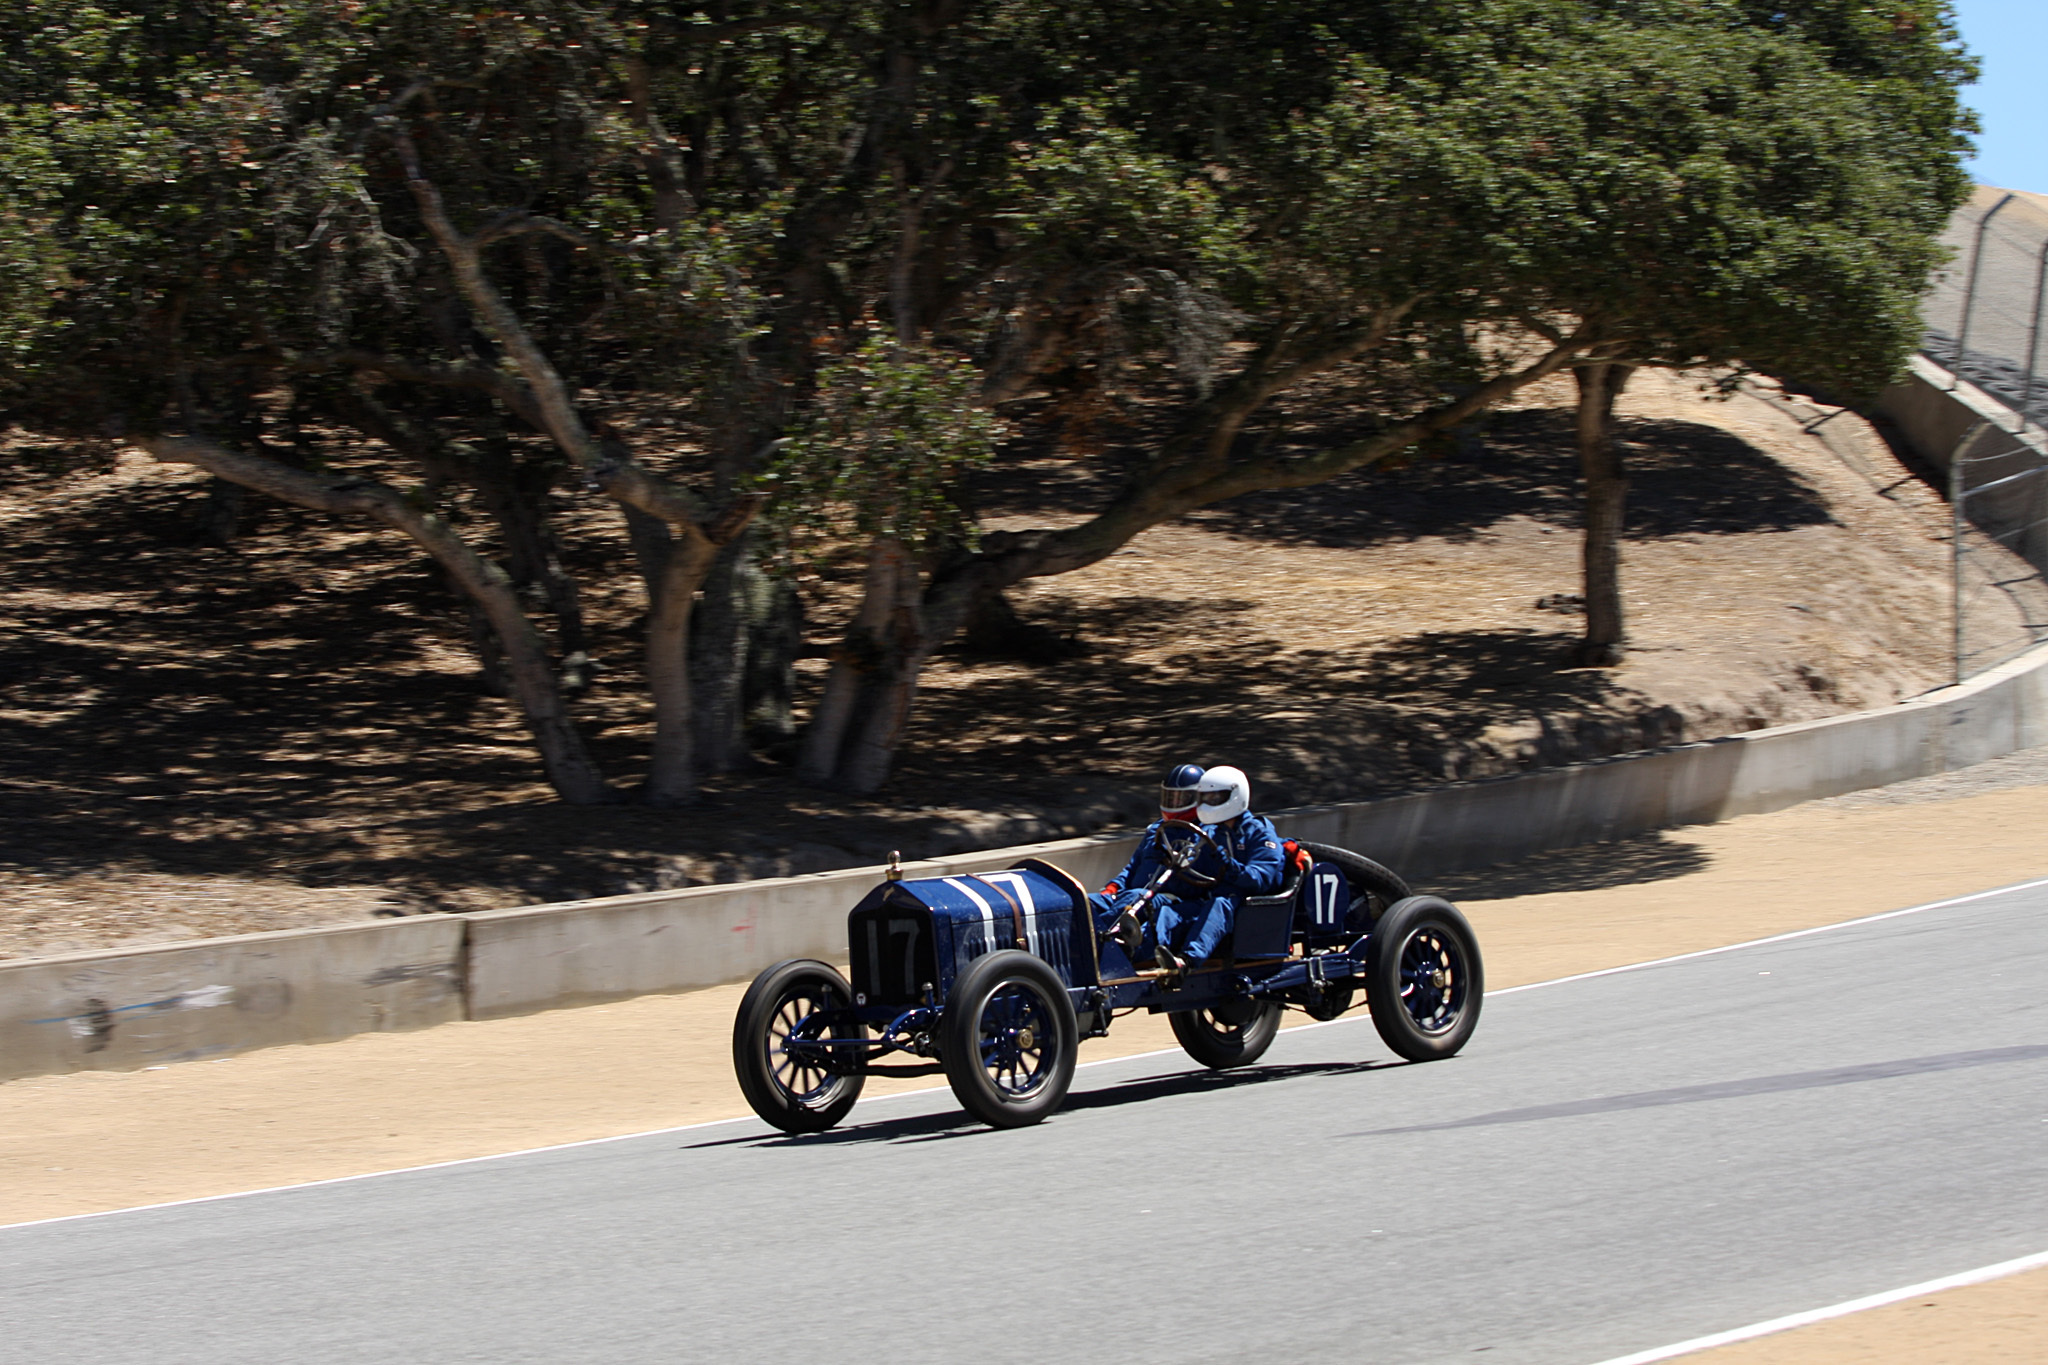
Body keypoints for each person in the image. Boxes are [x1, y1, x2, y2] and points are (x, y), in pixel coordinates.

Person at [1092, 763, 1287, 972]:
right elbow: (1133, 867)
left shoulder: (1255, 831)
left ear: (1235, 796)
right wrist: (1115, 885)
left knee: (1195, 908)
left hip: (1240, 904)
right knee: (1117, 900)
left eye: (1215, 798)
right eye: (1204, 798)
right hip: (1191, 898)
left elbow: (1262, 877)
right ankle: (1094, 937)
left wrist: (1229, 867)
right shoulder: (1202, 832)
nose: (1208, 804)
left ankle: (1183, 961)